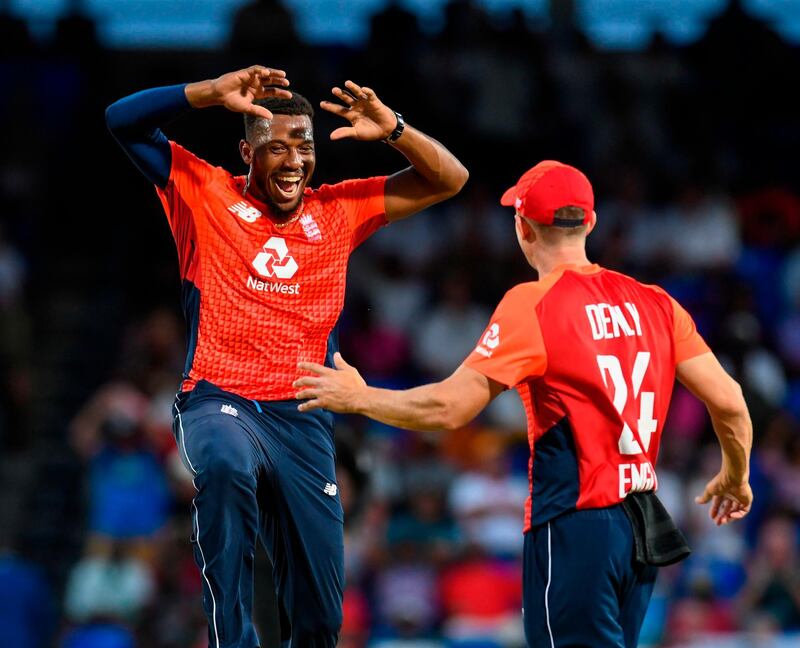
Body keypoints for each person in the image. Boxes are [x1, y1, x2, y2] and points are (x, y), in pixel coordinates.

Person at [294, 160, 753, 647]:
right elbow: (729, 401)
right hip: (641, 529)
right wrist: (735, 473)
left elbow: (450, 409)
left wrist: (360, 397)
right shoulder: (656, 302)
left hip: (576, 525)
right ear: (591, 223)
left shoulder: (533, 304)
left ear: (522, 226)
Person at [105, 65, 468, 648]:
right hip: (218, 398)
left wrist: (395, 129)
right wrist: (208, 94)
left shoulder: (339, 210)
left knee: (323, 618)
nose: (294, 160)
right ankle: (234, 638)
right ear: (246, 151)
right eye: (276, 147)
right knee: (223, 466)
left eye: (304, 145)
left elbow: (450, 179)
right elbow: (121, 120)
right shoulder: (204, 191)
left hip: (302, 417)